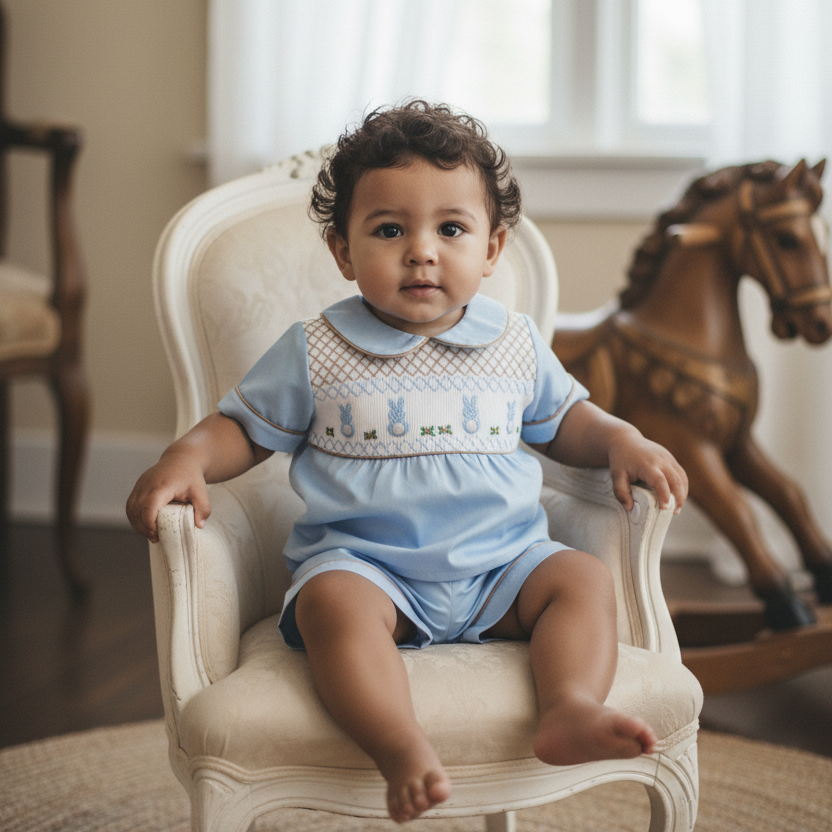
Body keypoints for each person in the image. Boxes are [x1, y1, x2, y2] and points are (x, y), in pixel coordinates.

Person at [127, 101, 688, 824]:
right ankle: (398, 744)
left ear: (492, 250)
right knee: (332, 606)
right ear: (342, 251)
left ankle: (571, 705)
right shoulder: (316, 349)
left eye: (450, 229)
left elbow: (567, 423)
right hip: (371, 571)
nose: (421, 250)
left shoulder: (512, 343)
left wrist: (621, 441)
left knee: (581, 576)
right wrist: (186, 459)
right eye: (389, 230)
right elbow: (241, 430)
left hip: (503, 569)